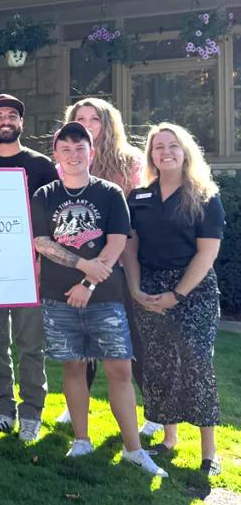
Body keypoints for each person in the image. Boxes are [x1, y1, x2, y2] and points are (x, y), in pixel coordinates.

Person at [31, 122, 167, 477]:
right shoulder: (45, 195)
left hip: (104, 297)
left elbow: (118, 240)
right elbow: (42, 242)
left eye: (80, 149)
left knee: (119, 368)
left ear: (91, 153)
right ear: (56, 155)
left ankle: (133, 449)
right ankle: (81, 439)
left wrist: (88, 283)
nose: (73, 156)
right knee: (73, 366)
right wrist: (81, 264)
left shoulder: (108, 193)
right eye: (66, 150)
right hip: (58, 298)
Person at [52, 98, 160, 437]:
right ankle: (75, 408)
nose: (86, 124)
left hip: (122, 265)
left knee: (131, 341)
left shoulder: (129, 163)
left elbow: (132, 224)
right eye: (79, 119)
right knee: (80, 341)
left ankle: (155, 411)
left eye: (93, 119)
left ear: (107, 124)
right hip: (78, 267)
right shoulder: (67, 164)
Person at [123, 123, 225, 476]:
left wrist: (177, 294)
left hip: (193, 289)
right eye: (158, 147)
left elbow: (207, 254)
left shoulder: (204, 196)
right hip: (149, 286)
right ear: (151, 154)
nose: (165, 152)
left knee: (197, 364)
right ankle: (168, 439)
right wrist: (136, 289)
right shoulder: (139, 197)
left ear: (186, 152)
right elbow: (131, 247)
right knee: (160, 362)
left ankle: (210, 452)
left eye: (173, 146)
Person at [0, 94, 59, 442]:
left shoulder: (40, 166)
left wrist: (40, 262)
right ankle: (3, 408)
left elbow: (52, 221)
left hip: (31, 269)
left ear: (21, 123)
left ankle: (33, 410)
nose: (5, 121)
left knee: (30, 343)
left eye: (12, 116)